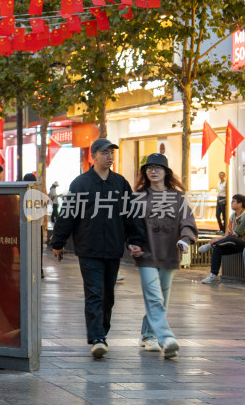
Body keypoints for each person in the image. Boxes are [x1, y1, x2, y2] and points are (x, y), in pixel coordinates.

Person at [51, 138, 146, 359]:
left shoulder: (120, 183)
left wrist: (136, 240)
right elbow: (68, 214)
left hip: (113, 248)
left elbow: (131, 214)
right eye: (104, 153)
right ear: (93, 156)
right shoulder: (81, 184)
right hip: (88, 248)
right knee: (95, 292)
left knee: (108, 296)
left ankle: (101, 333)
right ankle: (97, 339)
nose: (109, 156)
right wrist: (58, 241)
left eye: (112, 153)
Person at [131, 154, 197, 359]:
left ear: (166, 172)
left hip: (169, 254)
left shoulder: (177, 198)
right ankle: (165, 338)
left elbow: (187, 222)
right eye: (149, 168)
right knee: (155, 296)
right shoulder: (138, 197)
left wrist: (185, 239)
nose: (153, 171)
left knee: (162, 299)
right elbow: (131, 224)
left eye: (158, 168)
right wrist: (132, 243)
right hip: (146, 254)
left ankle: (147, 334)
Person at [197, 194, 245, 284]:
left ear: (240, 204)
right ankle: (213, 275)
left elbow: (236, 233)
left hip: (242, 242)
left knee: (231, 238)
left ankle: (210, 245)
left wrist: (216, 239)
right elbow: (228, 233)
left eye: (233, 201)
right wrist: (222, 237)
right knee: (217, 249)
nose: (231, 203)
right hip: (234, 242)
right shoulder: (232, 216)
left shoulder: (244, 216)